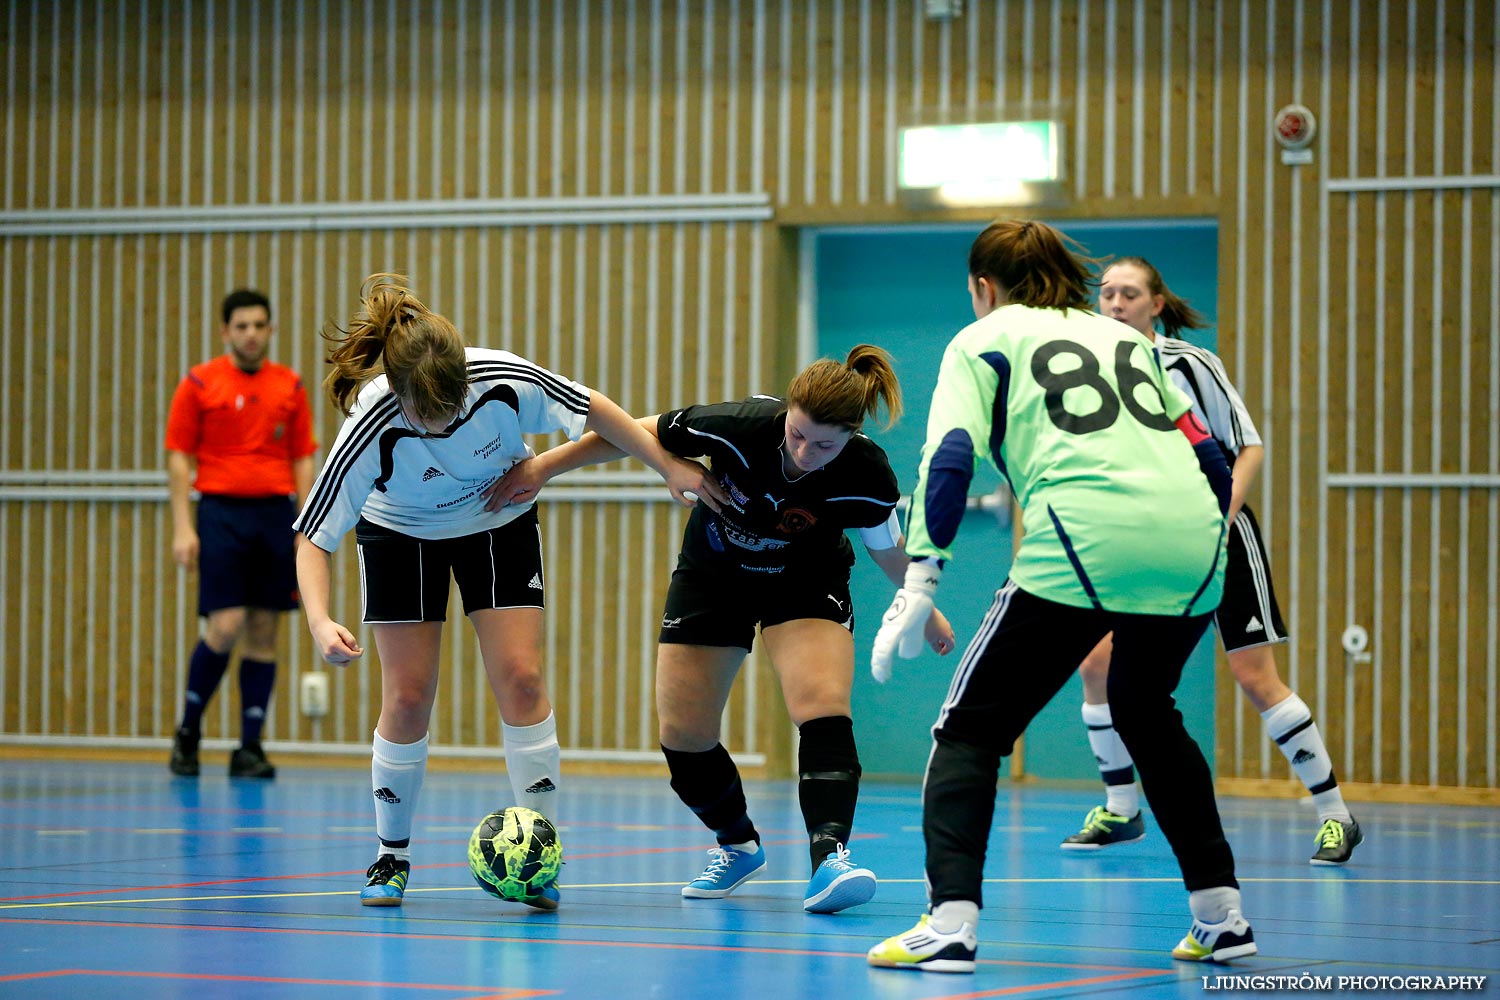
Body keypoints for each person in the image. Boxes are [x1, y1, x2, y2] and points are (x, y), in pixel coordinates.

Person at [866, 220, 1255, 973]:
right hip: (1197, 538)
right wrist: (1209, 544)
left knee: (969, 732)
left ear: (982, 286)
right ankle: (1222, 916)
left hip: (1084, 536)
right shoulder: (1129, 339)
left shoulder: (980, 339)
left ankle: (949, 923)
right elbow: (1208, 450)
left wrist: (921, 579)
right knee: (1148, 712)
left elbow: (949, 458)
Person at [293, 273, 721, 909]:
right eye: (427, 419)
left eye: (452, 412)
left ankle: (539, 856)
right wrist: (320, 621)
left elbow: (596, 408)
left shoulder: (499, 377)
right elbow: (313, 537)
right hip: (401, 533)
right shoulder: (371, 422)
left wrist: (667, 463)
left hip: (498, 519)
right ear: (401, 398)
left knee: (522, 678)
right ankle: (391, 855)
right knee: (407, 698)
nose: (442, 427)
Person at [488, 345, 957, 913]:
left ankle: (830, 858)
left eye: (824, 445)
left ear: (850, 439)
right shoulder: (737, 427)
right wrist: (544, 467)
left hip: (805, 582)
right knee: (683, 735)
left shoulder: (866, 472)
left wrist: (923, 607)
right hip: (714, 577)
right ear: (787, 413)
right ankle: (737, 845)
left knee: (822, 703)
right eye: (798, 434)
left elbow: (887, 551)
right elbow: (629, 430)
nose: (804, 452)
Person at [1059, 257, 1362, 866]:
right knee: (1096, 662)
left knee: (1254, 676)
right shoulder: (1093, 372)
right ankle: (1122, 810)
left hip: (1217, 532)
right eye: (1107, 293)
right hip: (1146, 539)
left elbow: (1249, 447)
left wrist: (1222, 510)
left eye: (1129, 294)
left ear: (1157, 303)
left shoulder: (1190, 365)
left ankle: (1335, 815)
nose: (1115, 303)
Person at [166, 289, 317, 780]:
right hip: (221, 514)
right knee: (225, 625)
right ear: (226, 331)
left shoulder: (290, 387)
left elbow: (303, 459)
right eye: (241, 326)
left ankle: (249, 746)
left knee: (264, 628)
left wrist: (307, 527)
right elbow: (178, 457)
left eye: (259, 325)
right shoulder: (199, 383)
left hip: (275, 515)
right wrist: (184, 527)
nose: (251, 334)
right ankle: (188, 732)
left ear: (271, 330)